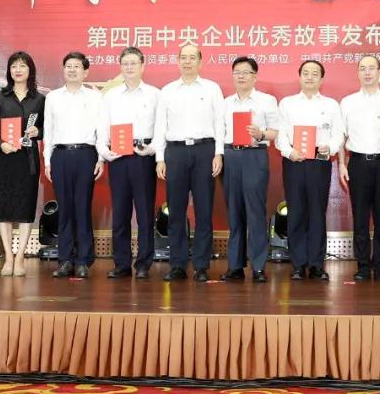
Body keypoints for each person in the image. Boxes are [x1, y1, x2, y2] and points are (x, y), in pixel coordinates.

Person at [154, 44, 225, 282]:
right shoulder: (167, 91)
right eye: (183, 57)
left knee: (204, 210)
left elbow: (220, 123)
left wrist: (218, 153)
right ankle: (177, 264)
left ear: (200, 62)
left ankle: (202, 265)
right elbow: (160, 126)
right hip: (175, 152)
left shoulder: (212, 88)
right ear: (177, 61)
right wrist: (160, 157)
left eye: (192, 57)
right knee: (176, 211)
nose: (187, 62)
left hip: (205, 150)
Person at [275, 60, 343, 281]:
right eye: (306, 73)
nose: (310, 77)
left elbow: (338, 135)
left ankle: (316, 264)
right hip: (294, 162)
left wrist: (330, 147)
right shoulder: (287, 104)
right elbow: (280, 135)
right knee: (296, 212)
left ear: (322, 79)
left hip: (320, 163)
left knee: (317, 213)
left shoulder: (331, 105)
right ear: (299, 76)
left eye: (315, 73)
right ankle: (298, 264)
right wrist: (289, 152)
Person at [97, 47, 159, 280]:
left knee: (144, 213)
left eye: (134, 63)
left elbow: (161, 128)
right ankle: (121, 263)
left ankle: (144, 263)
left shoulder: (154, 94)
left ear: (143, 66)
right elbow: (102, 127)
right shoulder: (110, 96)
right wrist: (104, 152)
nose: (129, 67)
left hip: (144, 156)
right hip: (118, 157)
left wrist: (153, 149)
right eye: (125, 63)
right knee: (120, 213)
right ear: (120, 67)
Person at [44, 51, 104, 279]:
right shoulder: (53, 97)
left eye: (77, 66)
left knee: (82, 207)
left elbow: (102, 130)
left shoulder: (95, 97)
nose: (72, 70)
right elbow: (48, 130)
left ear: (85, 72)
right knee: (65, 209)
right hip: (60, 155)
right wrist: (47, 160)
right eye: (68, 65)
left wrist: (100, 158)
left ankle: (83, 261)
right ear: (63, 70)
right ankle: (65, 259)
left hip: (86, 154)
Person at [0, 51, 45, 277]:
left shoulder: (39, 99)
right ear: (9, 71)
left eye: (22, 66)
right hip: (4, 158)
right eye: (14, 66)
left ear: (30, 70)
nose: (18, 70)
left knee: (25, 207)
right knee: (4, 208)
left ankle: (20, 257)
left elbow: (48, 128)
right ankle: (8, 257)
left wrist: (38, 131)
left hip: (27, 159)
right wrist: (1, 144)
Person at [220, 56, 279, 283]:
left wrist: (260, 133)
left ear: (255, 76)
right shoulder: (225, 103)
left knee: (255, 211)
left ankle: (258, 266)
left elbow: (276, 131)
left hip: (255, 155)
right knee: (234, 212)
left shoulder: (267, 101)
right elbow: (219, 132)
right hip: (231, 156)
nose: (241, 76)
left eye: (246, 72)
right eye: (237, 72)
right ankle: (235, 266)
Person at [339, 55, 380, 282]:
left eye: (372, 68)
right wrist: (341, 164)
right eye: (363, 68)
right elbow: (341, 137)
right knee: (360, 216)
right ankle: (362, 265)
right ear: (358, 73)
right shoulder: (348, 102)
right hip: (358, 163)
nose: (367, 72)